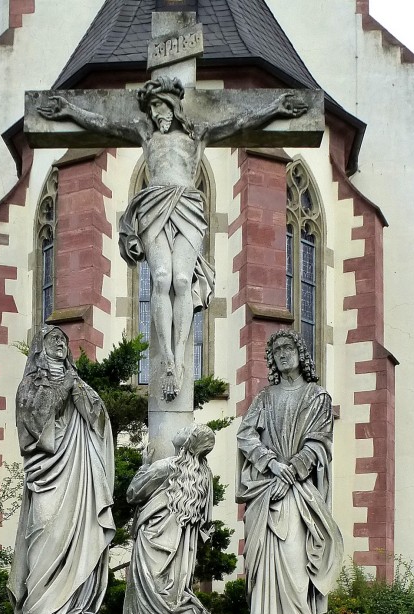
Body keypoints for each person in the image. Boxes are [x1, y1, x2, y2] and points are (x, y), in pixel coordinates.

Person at [39, 78, 306, 400]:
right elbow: (102, 122)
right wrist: (68, 109)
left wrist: (275, 107)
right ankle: (166, 358)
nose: (156, 112)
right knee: (161, 277)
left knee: (182, 279)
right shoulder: (145, 133)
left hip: (188, 204)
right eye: (151, 107)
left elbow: (240, 122)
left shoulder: (198, 133)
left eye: (160, 105)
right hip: (153, 204)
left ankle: (180, 359)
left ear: (173, 105)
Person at [236, 330, 344, 614]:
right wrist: (271, 464)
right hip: (267, 486)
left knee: (294, 553)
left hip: (298, 490)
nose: (282, 354)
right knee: (263, 554)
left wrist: (292, 472)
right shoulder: (265, 398)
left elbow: (319, 443)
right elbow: (246, 435)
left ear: (300, 353)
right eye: (276, 350)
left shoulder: (317, 396)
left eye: (288, 348)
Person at [8, 324, 116, 614]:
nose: (61, 343)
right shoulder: (29, 385)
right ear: (40, 347)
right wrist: (64, 385)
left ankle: (71, 610)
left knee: (79, 533)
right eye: (54, 338)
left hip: (78, 471)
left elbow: (97, 419)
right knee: (43, 530)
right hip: (47, 470)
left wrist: (83, 395)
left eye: (64, 340)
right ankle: (39, 610)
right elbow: (35, 419)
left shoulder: (76, 381)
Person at [123, 423, 232, 614]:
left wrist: (144, 466)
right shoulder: (204, 473)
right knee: (171, 589)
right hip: (181, 544)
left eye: (185, 430)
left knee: (150, 590)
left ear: (187, 442)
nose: (181, 430)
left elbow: (133, 493)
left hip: (153, 538)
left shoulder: (164, 467)